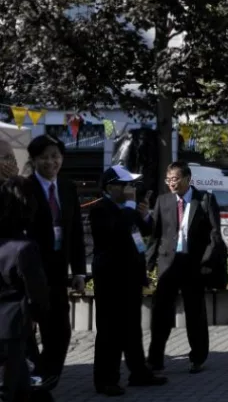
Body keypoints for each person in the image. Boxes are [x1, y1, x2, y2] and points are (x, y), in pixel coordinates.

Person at [89, 166, 167, 395]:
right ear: (110, 187)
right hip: (111, 277)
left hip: (131, 276)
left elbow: (147, 230)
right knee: (110, 331)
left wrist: (144, 213)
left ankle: (139, 372)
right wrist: (132, 208)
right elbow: (116, 232)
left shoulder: (128, 209)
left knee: (132, 328)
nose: (130, 189)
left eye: (130, 185)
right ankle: (105, 379)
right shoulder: (101, 209)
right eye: (125, 185)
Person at [146, 161, 223, 374]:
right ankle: (155, 359)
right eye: (168, 179)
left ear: (188, 179)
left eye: (176, 179)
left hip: (193, 264)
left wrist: (206, 262)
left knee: (195, 313)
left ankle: (197, 358)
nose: (172, 183)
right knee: (161, 313)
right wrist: (148, 264)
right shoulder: (163, 201)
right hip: (168, 264)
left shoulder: (205, 199)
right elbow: (155, 236)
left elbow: (214, 234)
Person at [24, 134, 86, 388]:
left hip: (59, 271)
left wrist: (80, 272)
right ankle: (35, 379)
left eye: (56, 156)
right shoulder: (24, 188)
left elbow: (76, 233)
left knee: (61, 332)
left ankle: (46, 377)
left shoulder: (68, 187)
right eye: (45, 157)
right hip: (30, 272)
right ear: (35, 160)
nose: (52, 162)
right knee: (28, 333)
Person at [0, 177, 50, 402]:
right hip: (12, 330)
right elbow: (38, 295)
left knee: (22, 389)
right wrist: (39, 316)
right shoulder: (25, 248)